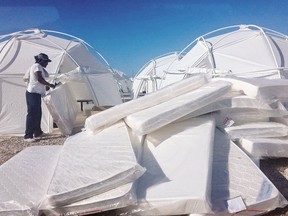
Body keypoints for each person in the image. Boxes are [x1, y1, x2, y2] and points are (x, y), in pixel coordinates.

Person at [23, 53, 55, 142]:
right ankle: (28, 136)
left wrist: (46, 86)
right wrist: (50, 84)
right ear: (40, 60)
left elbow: (39, 82)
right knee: (32, 114)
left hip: (36, 94)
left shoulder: (40, 67)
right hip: (32, 93)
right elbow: (39, 79)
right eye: (46, 61)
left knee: (38, 114)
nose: (47, 63)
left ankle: (38, 132)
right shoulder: (36, 66)